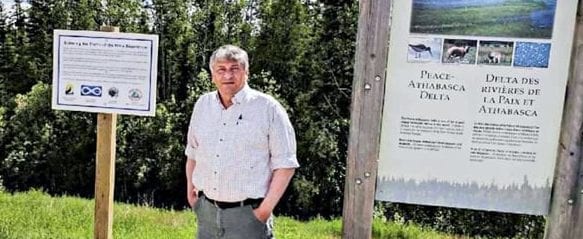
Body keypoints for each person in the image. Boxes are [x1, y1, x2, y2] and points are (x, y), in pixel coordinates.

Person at [184, 44, 299, 239]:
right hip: (207, 213)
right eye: (221, 69)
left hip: (248, 215)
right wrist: (191, 194)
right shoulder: (203, 105)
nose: (228, 76)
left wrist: (263, 212)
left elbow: (285, 164)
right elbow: (192, 152)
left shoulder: (268, 108)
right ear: (212, 75)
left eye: (234, 69)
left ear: (246, 72)